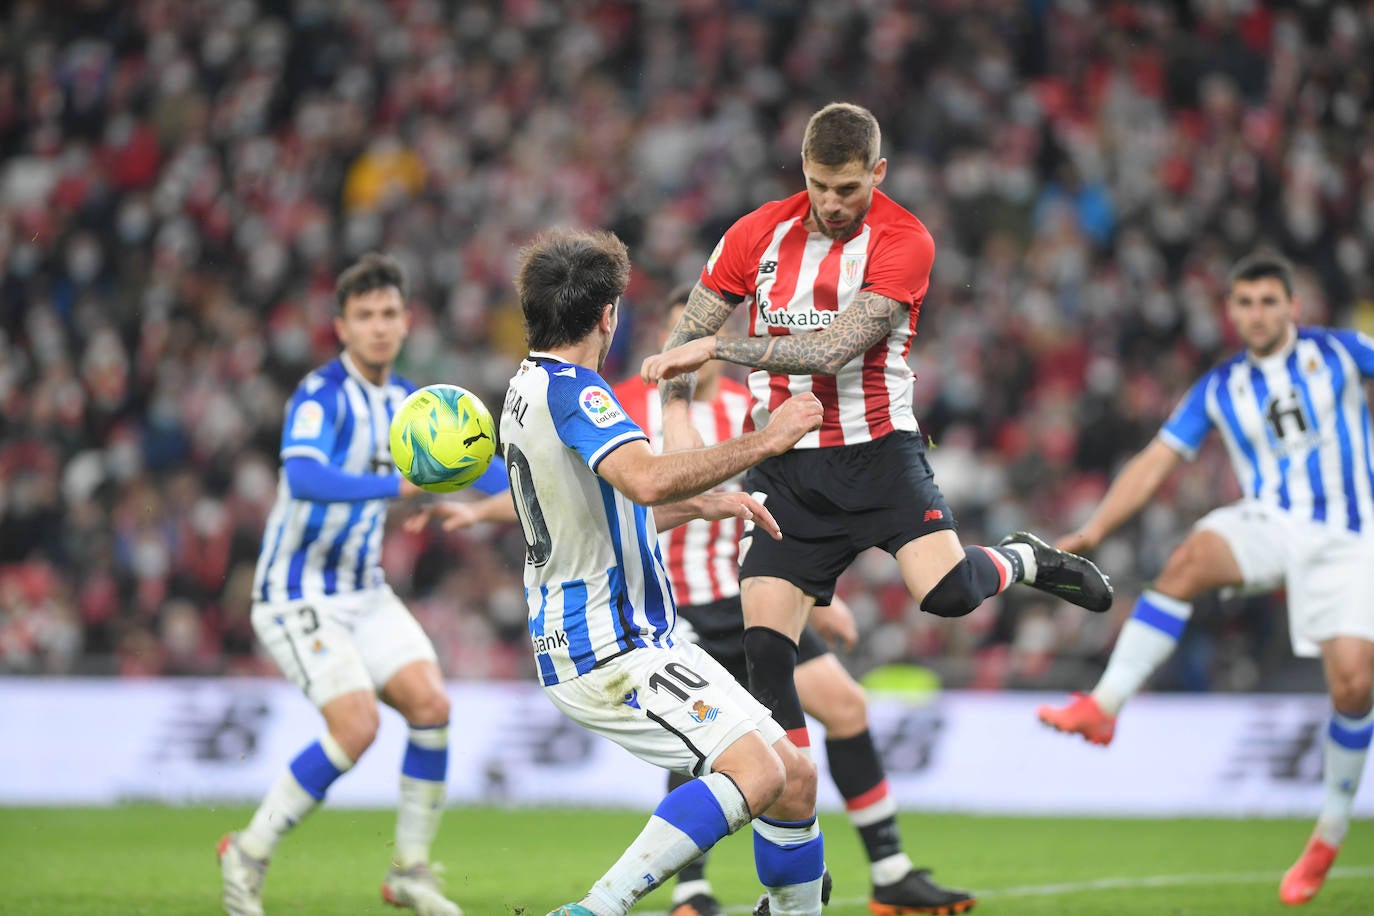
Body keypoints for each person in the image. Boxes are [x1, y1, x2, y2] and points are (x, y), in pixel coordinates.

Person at [640, 102, 1114, 896]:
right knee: (766, 655)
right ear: (802, 171)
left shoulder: (903, 240)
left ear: (878, 175)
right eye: (820, 185)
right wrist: (681, 391)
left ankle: (1024, 558)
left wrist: (717, 346)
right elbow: (687, 325)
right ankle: (797, 847)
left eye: (849, 187)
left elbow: (830, 350)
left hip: (882, 456)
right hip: (789, 468)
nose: (832, 202)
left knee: (952, 595)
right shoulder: (755, 233)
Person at [613, 286, 974, 916]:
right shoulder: (627, 408)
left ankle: (889, 873)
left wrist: (815, 590)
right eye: (679, 338)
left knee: (846, 705)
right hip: (683, 608)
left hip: (753, 594)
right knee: (709, 737)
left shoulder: (752, 404)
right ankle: (692, 890)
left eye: (698, 338)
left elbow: (785, 500)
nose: (690, 352)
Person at [500, 228, 829, 916]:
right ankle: (597, 909)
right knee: (759, 769)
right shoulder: (577, 393)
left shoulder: (526, 388)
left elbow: (597, 517)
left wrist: (702, 506)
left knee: (795, 776)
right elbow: (645, 481)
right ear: (607, 317)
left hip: (627, 638)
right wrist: (767, 439)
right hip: (607, 646)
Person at [1035, 251, 1374, 906]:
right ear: (1231, 312)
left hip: (1351, 537)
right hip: (1271, 519)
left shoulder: (1340, 352)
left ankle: (1329, 831)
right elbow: (1156, 461)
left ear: (1294, 307)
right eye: (1244, 303)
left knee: (1355, 685)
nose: (1257, 314)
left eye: (1269, 301)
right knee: (1188, 559)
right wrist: (1097, 528)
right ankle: (1104, 706)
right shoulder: (1220, 387)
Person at [217, 253, 508, 916]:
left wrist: (540, 482)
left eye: (388, 314)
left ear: (406, 323)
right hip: (296, 592)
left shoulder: (412, 403)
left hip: (364, 589)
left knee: (432, 707)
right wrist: (397, 485)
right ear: (340, 326)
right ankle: (249, 850)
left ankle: (408, 870)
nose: (378, 327)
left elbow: (484, 468)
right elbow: (304, 478)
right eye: (364, 316)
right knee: (357, 725)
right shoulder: (320, 397)